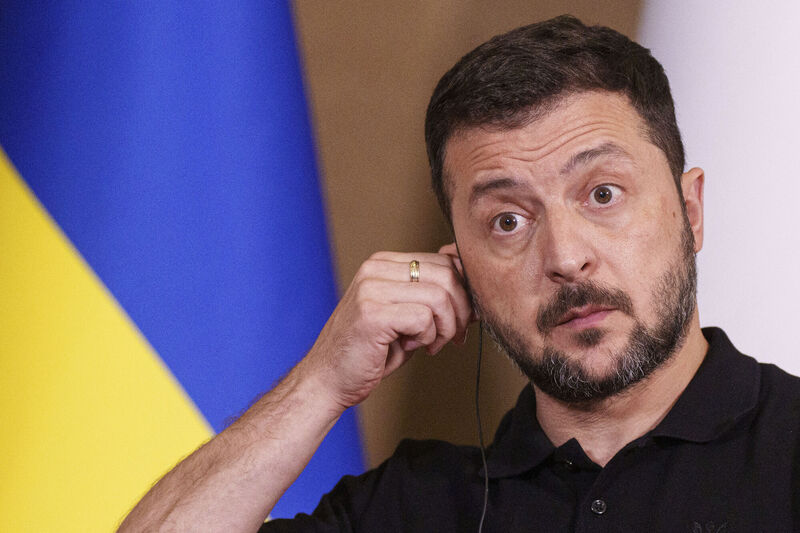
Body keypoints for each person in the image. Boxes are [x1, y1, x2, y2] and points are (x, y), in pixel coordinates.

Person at [119, 15, 800, 532]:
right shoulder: (413, 505)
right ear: (460, 270)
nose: (564, 256)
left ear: (690, 211)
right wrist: (319, 383)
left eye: (602, 194)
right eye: (508, 220)